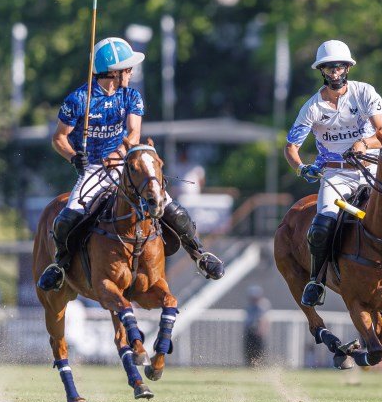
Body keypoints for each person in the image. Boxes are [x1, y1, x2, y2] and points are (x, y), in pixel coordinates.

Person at [37, 37, 224, 292]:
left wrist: (118, 154)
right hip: (92, 169)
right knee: (67, 218)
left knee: (170, 206)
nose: (132, 73)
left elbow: (134, 133)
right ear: (112, 72)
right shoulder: (78, 100)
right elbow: (59, 138)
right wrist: (73, 156)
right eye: (127, 69)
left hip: (125, 167)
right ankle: (60, 264)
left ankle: (200, 255)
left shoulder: (131, 96)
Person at [284, 39, 382, 307]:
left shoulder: (364, 93)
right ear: (322, 71)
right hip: (335, 175)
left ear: (347, 68)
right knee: (321, 226)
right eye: (329, 68)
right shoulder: (312, 108)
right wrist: (302, 168)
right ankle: (316, 281)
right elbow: (291, 148)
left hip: (372, 169)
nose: (335, 72)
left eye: (339, 67)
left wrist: (364, 144)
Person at [243, 285, 271, 366]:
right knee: (248, 350)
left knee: (258, 350)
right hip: (249, 331)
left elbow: (264, 318)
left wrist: (261, 330)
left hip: (258, 332)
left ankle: (259, 365)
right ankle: (249, 365)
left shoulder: (263, 305)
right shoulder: (249, 305)